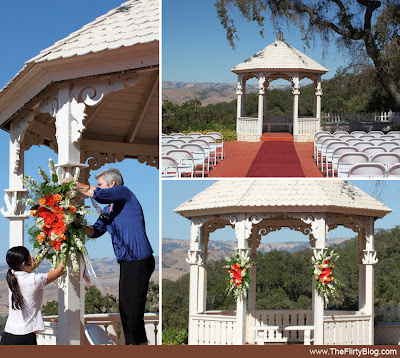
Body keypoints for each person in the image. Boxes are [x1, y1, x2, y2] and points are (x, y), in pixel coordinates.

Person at [72, 168, 155, 345]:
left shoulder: (125, 193)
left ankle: (139, 346)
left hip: (140, 260)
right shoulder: (107, 211)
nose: (98, 188)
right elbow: (94, 232)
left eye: (100, 184)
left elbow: (99, 194)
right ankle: (134, 345)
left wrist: (72, 184)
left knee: (133, 309)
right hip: (126, 262)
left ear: (112, 185)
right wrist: (75, 225)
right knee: (125, 309)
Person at [1, 246, 65, 345]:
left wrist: (48, 245)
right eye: (30, 258)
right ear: (23, 264)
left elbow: (32, 264)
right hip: (24, 337)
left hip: (8, 335)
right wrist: (69, 247)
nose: (33, 260)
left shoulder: (12, 275)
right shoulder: (34, 280)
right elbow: (60, 271)